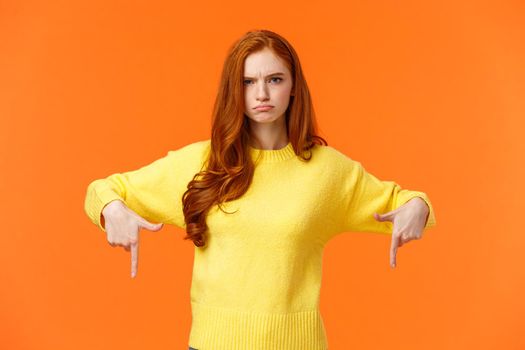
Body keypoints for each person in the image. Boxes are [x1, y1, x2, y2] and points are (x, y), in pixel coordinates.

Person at [84, 29, 436, 350]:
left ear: (294, 85)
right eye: (248, 82)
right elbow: (103, 189)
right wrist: (111, 210)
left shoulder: (328, 170)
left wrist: (418, 207)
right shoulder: (201, 162)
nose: (262, 93)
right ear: (233, 90)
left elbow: (406, 202)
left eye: (275, 79)